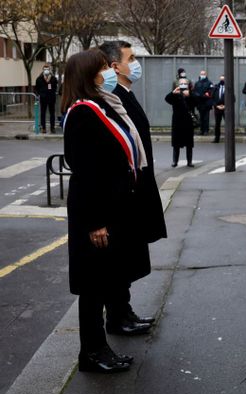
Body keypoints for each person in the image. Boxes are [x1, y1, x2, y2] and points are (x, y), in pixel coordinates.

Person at [61, 48, 151, 373]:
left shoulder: (98, 107)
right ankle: (93, 352)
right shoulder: (82, 112)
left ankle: (99, 349)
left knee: (101, 282)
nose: (108, 72)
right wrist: (96, 222)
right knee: (93, 287)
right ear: (89, 75)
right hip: (94, 215)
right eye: (102, 68)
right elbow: (86, 171)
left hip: (110, 210)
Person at [98, 40, 167, 332]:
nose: (135, 63)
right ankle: (117, 316)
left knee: (128, 257)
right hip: (126, 192)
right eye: (132, 58)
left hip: (137, 188)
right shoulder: (113, 98)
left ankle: (124, 312)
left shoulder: (124, 94)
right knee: (120, 258)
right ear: (115, 67)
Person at [166, 79, 195, 167]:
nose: (183, 85)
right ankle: (175, 161)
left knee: (189, 143)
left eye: (185, 83)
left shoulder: (190, 93)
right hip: (177, 121)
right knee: (176, 143)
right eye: (181, 83)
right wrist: (173, 93)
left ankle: (189, 161)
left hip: (188, 121)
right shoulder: (175, 94)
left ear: (188, 85)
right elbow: (167, 99)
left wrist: (190, 95)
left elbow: (197, 101)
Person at [35, 64, 58, 133]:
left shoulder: (53, 79)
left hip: (51, 98)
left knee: (52, 114)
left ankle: (52, 128)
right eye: (45, 69)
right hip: (43, 98)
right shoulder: (39, 79)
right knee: (43, 113)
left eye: (47, 69)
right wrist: (41, 94)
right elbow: (37, 89)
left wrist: (51, 92)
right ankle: (43, 128)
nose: (46, 70)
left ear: (50, 70)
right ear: (43, 70)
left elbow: (55, 88)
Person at [211, 74, 234, 143]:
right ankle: (216, 138)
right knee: (217, 124)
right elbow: (212, 98)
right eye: (221, 79)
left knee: (228, 124)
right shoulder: (216, 87)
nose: (222, 80)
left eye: (223, 79)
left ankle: (229, 138)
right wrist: (216, 105)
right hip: (217, 108)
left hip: (226, 109)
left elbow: (233, 99)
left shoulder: (229, 88)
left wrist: (225, 106)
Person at [192, 70, 214, 136]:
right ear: (200, 74)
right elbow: (194, 91)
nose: (202, 75)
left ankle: (206, 130)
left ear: (206, 75)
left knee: (206, 118)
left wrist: (206, 94)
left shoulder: (209, 83)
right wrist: (198, 95)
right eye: (201, 74)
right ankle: (201, 130)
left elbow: (211, 91)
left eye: (204, 74)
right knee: (201, 117)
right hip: (200, 103)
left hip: (207, 103)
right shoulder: (197, 83)